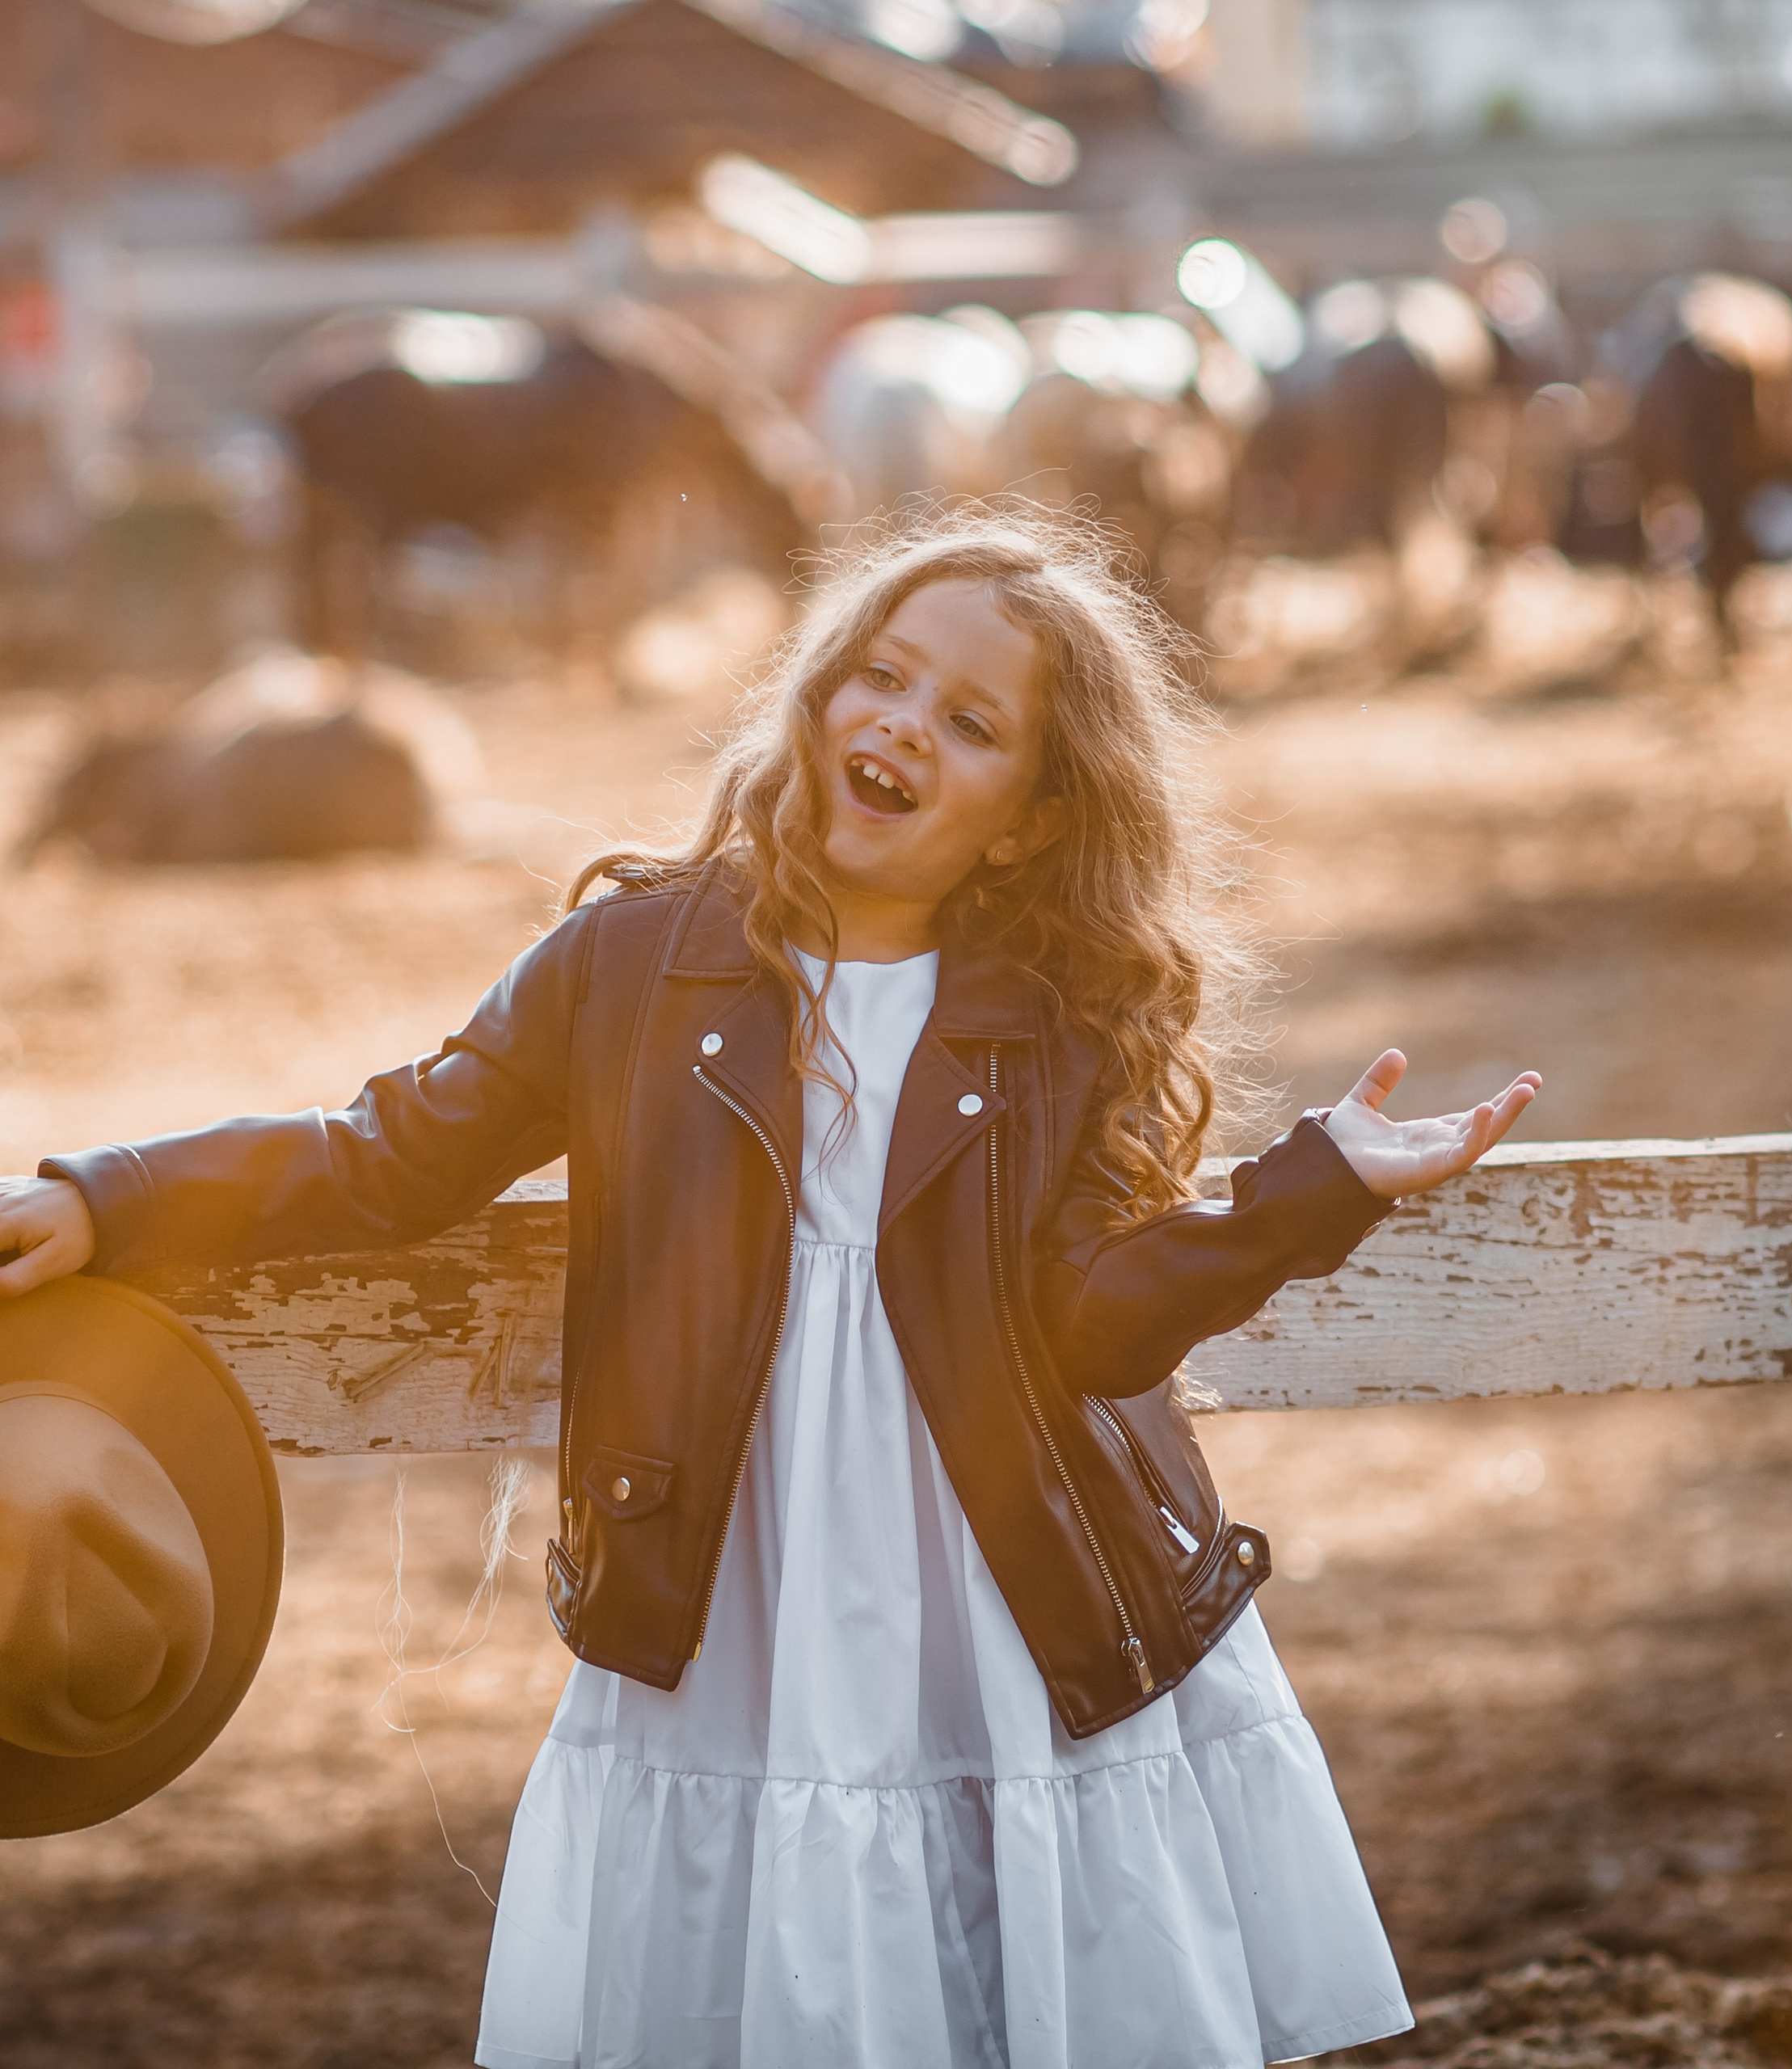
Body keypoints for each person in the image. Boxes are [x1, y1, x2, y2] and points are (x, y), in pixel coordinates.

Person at [0, 510, 1539, 2069]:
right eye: (880, 676)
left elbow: (1097, 1324)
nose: (899, 725)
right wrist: (111, 1195)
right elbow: (390, 1157)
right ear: (818, 694)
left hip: (1009, 1612)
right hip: (726, 1601)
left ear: (1025, 819)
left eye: (968, 721)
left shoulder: (1053, 1021)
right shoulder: (627, 966)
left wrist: (1309, 1191)